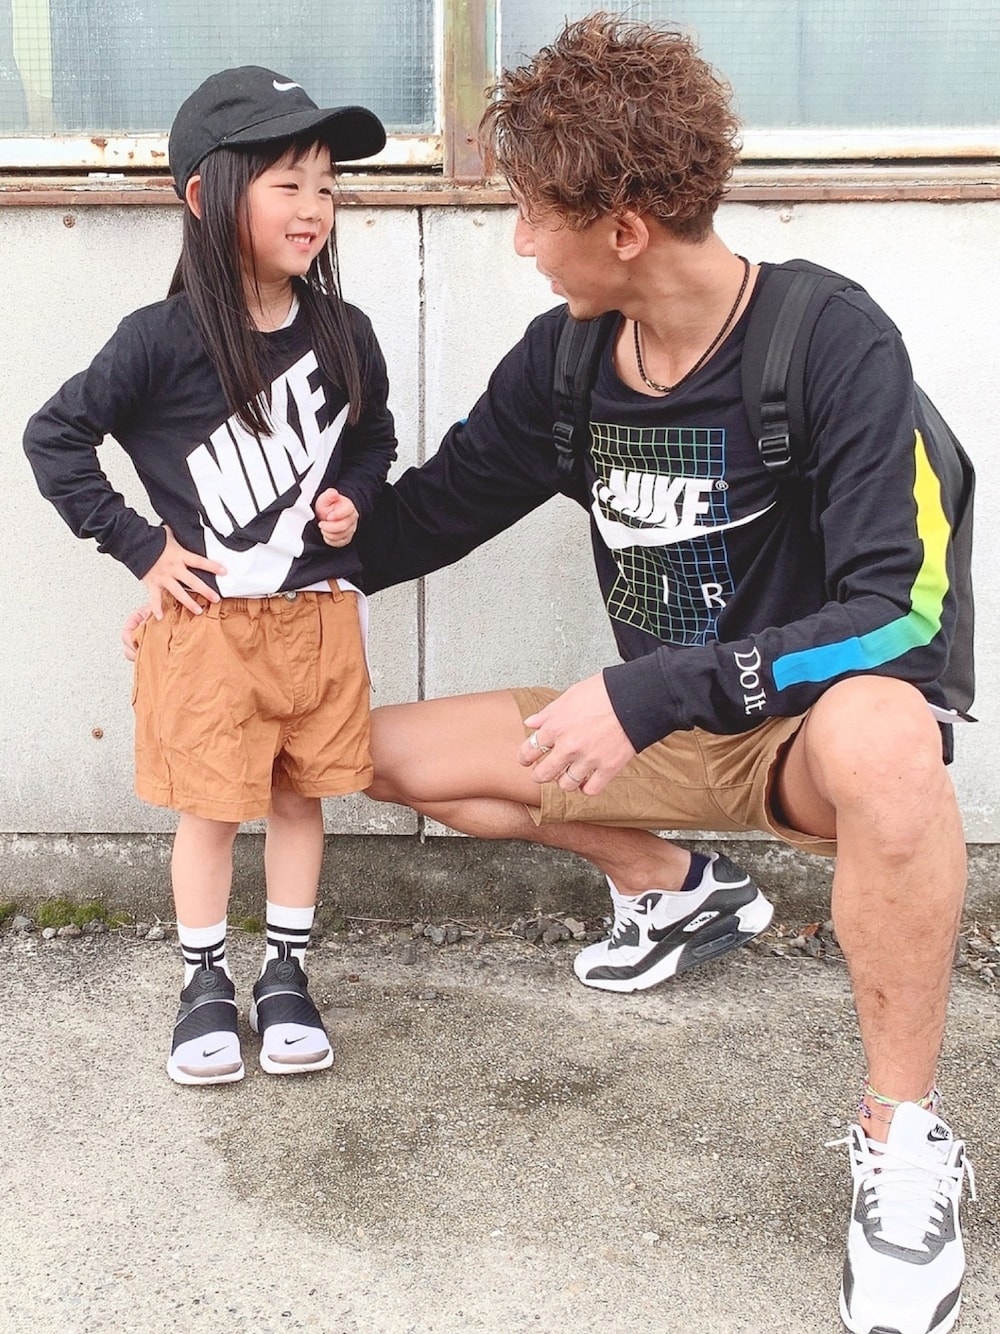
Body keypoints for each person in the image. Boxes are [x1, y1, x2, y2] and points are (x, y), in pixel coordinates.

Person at [321, 16, 973, 1334]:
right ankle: (677, 889)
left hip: (799, 739)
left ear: (622, 227)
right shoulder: (568, 361)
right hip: (659, 733)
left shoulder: (829, 341)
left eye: (530, 214)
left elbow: (899, 615)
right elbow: (433, 512)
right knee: (365, 751)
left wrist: (655, 692)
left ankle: (902, 1137)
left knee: (890, 732)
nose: (518, 241)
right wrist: (257, 567)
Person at [24, 67, 397, 1088]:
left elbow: (374, 435)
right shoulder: (161, 338)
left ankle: (287, 974)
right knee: (211, 809)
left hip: (318, 619)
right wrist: (141, 547)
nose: (314, 205)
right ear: (205, 195)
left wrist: (354, 496)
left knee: (301, 801)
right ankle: (202, 982)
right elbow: (55, 438)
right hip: (207, 628)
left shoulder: (346, 331)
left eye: (326, 184)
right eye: (287, 182)